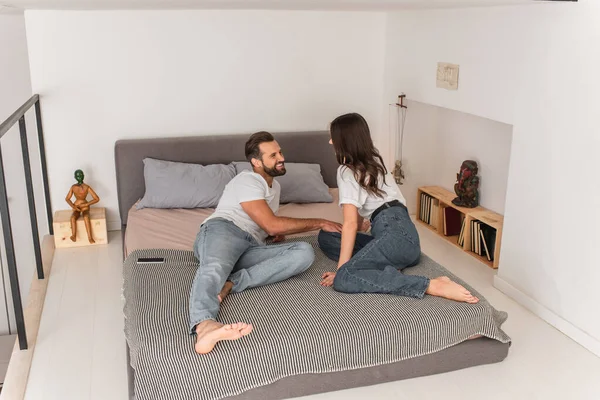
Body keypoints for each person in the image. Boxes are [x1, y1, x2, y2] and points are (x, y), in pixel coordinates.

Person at [189, 131, 342, 354]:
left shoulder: (275, 188)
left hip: (251, 245)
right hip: (223, 230)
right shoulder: (248, 180)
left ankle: (231, 283)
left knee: (303, 252)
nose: (281, 157)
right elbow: (272, 223)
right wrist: (320, 222)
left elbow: (267, 225)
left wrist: (273, 234)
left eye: (280, 152)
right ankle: (205, 326)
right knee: (213, 268)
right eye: (273, 155)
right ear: (256, 162)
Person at [317, 113, 480, 304]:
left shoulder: (346, 171)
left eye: (333, 137)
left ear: (343, 141)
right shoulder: (374, 160)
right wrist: (362, 228)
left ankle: (431, 285)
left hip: (393, 234)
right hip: (402, 236)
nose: (330, 141)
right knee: (326, 236)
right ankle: (384, 264)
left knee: (344, 278)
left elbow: (350, 223)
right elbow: (362, 207)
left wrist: (341, 269)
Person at [65, 169, 100, 243]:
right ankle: (73, 235)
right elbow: (67, 199)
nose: (79, 177)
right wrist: (73, 206)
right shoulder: (73, 187)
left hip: (85, 207)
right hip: (76, 207)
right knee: (72, 218)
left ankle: (90, 237)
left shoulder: (87, 187)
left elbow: (96, 198)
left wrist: (86, 204)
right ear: (75, 177)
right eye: (78, 176)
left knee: (86, 217)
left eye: (81, 175)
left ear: (83, 176)